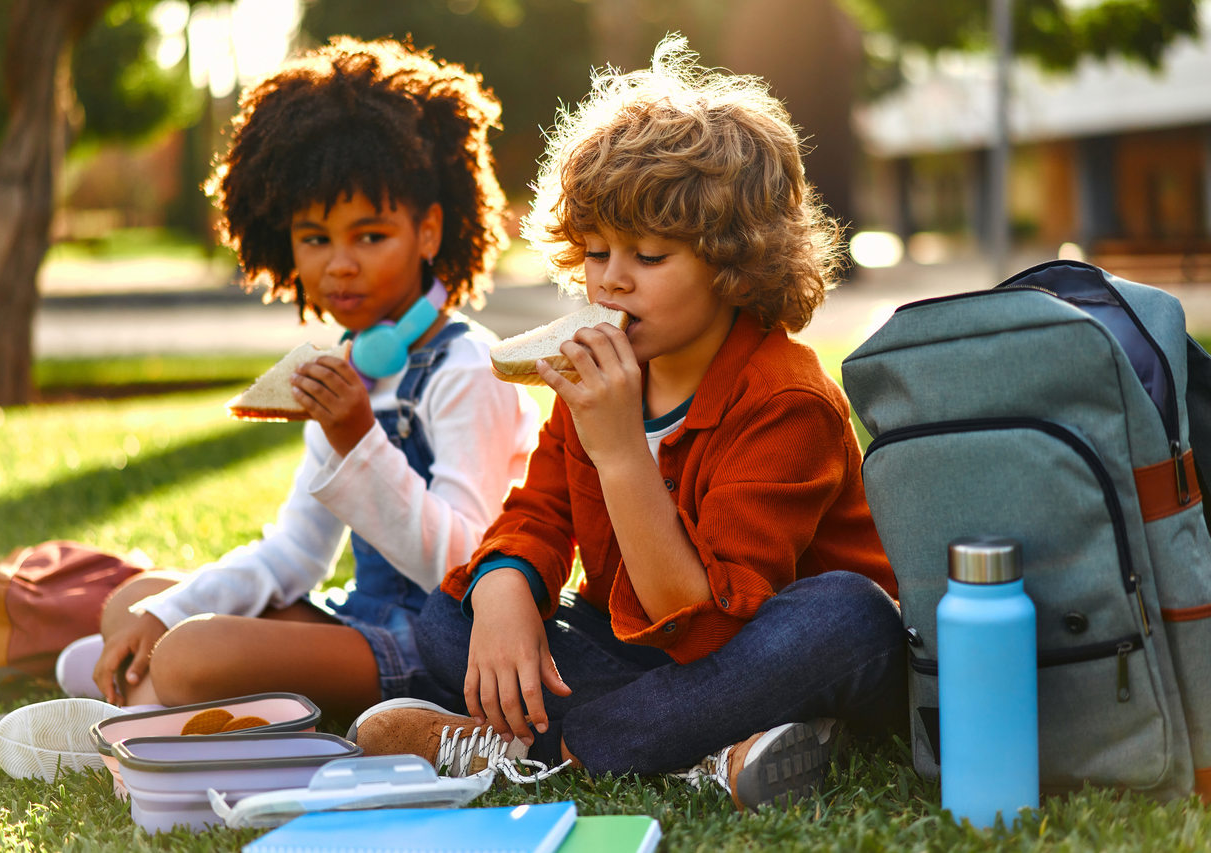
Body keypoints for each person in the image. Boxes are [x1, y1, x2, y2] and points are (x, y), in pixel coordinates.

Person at [348, 35, 908, 810]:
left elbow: (711, 631)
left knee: (851, 618)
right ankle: (714, 749)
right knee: (456, 614)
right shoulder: (601, 366)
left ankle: (565, 748)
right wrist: (508, 586)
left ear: (733, 261)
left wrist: (618, 450)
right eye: (596, 250)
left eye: (648, 255)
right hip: (652, 656)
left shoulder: (786, 400)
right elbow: (536, 513)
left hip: (766, 645)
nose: (611, 278)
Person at [68, 37, 540, 721]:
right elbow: (295, 552)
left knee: (189, 656)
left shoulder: (468, 369)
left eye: (369, 236)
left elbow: (464, 567)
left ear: (429, 231)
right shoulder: (348, 367)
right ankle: (141, 688)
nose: (339, 265)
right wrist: (166, 609)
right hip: (361, 623)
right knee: (131, 601)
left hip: (445, 648)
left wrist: (357, 438)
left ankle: (144, 694)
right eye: (315, 238)